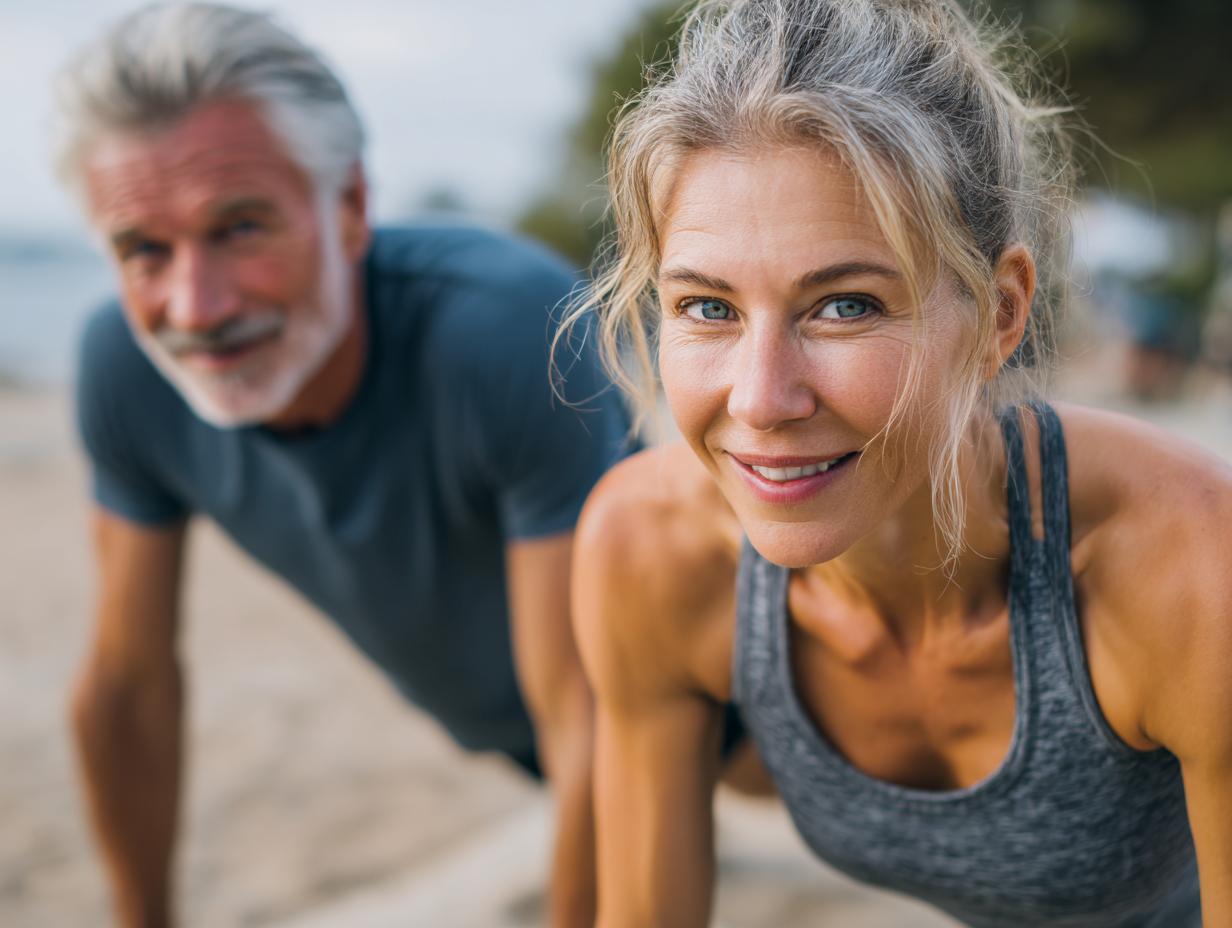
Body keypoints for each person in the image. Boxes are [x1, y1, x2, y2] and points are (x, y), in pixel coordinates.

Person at [571, 1, 1231, 926]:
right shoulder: (650, 550)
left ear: (1001, 314)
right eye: (708, 308)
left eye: (844, 306)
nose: (761, 400)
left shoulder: (1189, 566)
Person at [57, 5, 631, 927]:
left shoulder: (506, 332)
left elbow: (601, 725)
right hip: (527, 734)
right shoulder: (125, 369)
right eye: (144, 249)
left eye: (241, 227)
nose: (195, 307)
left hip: (710, 699)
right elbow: (128, 684)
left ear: (354, 206)